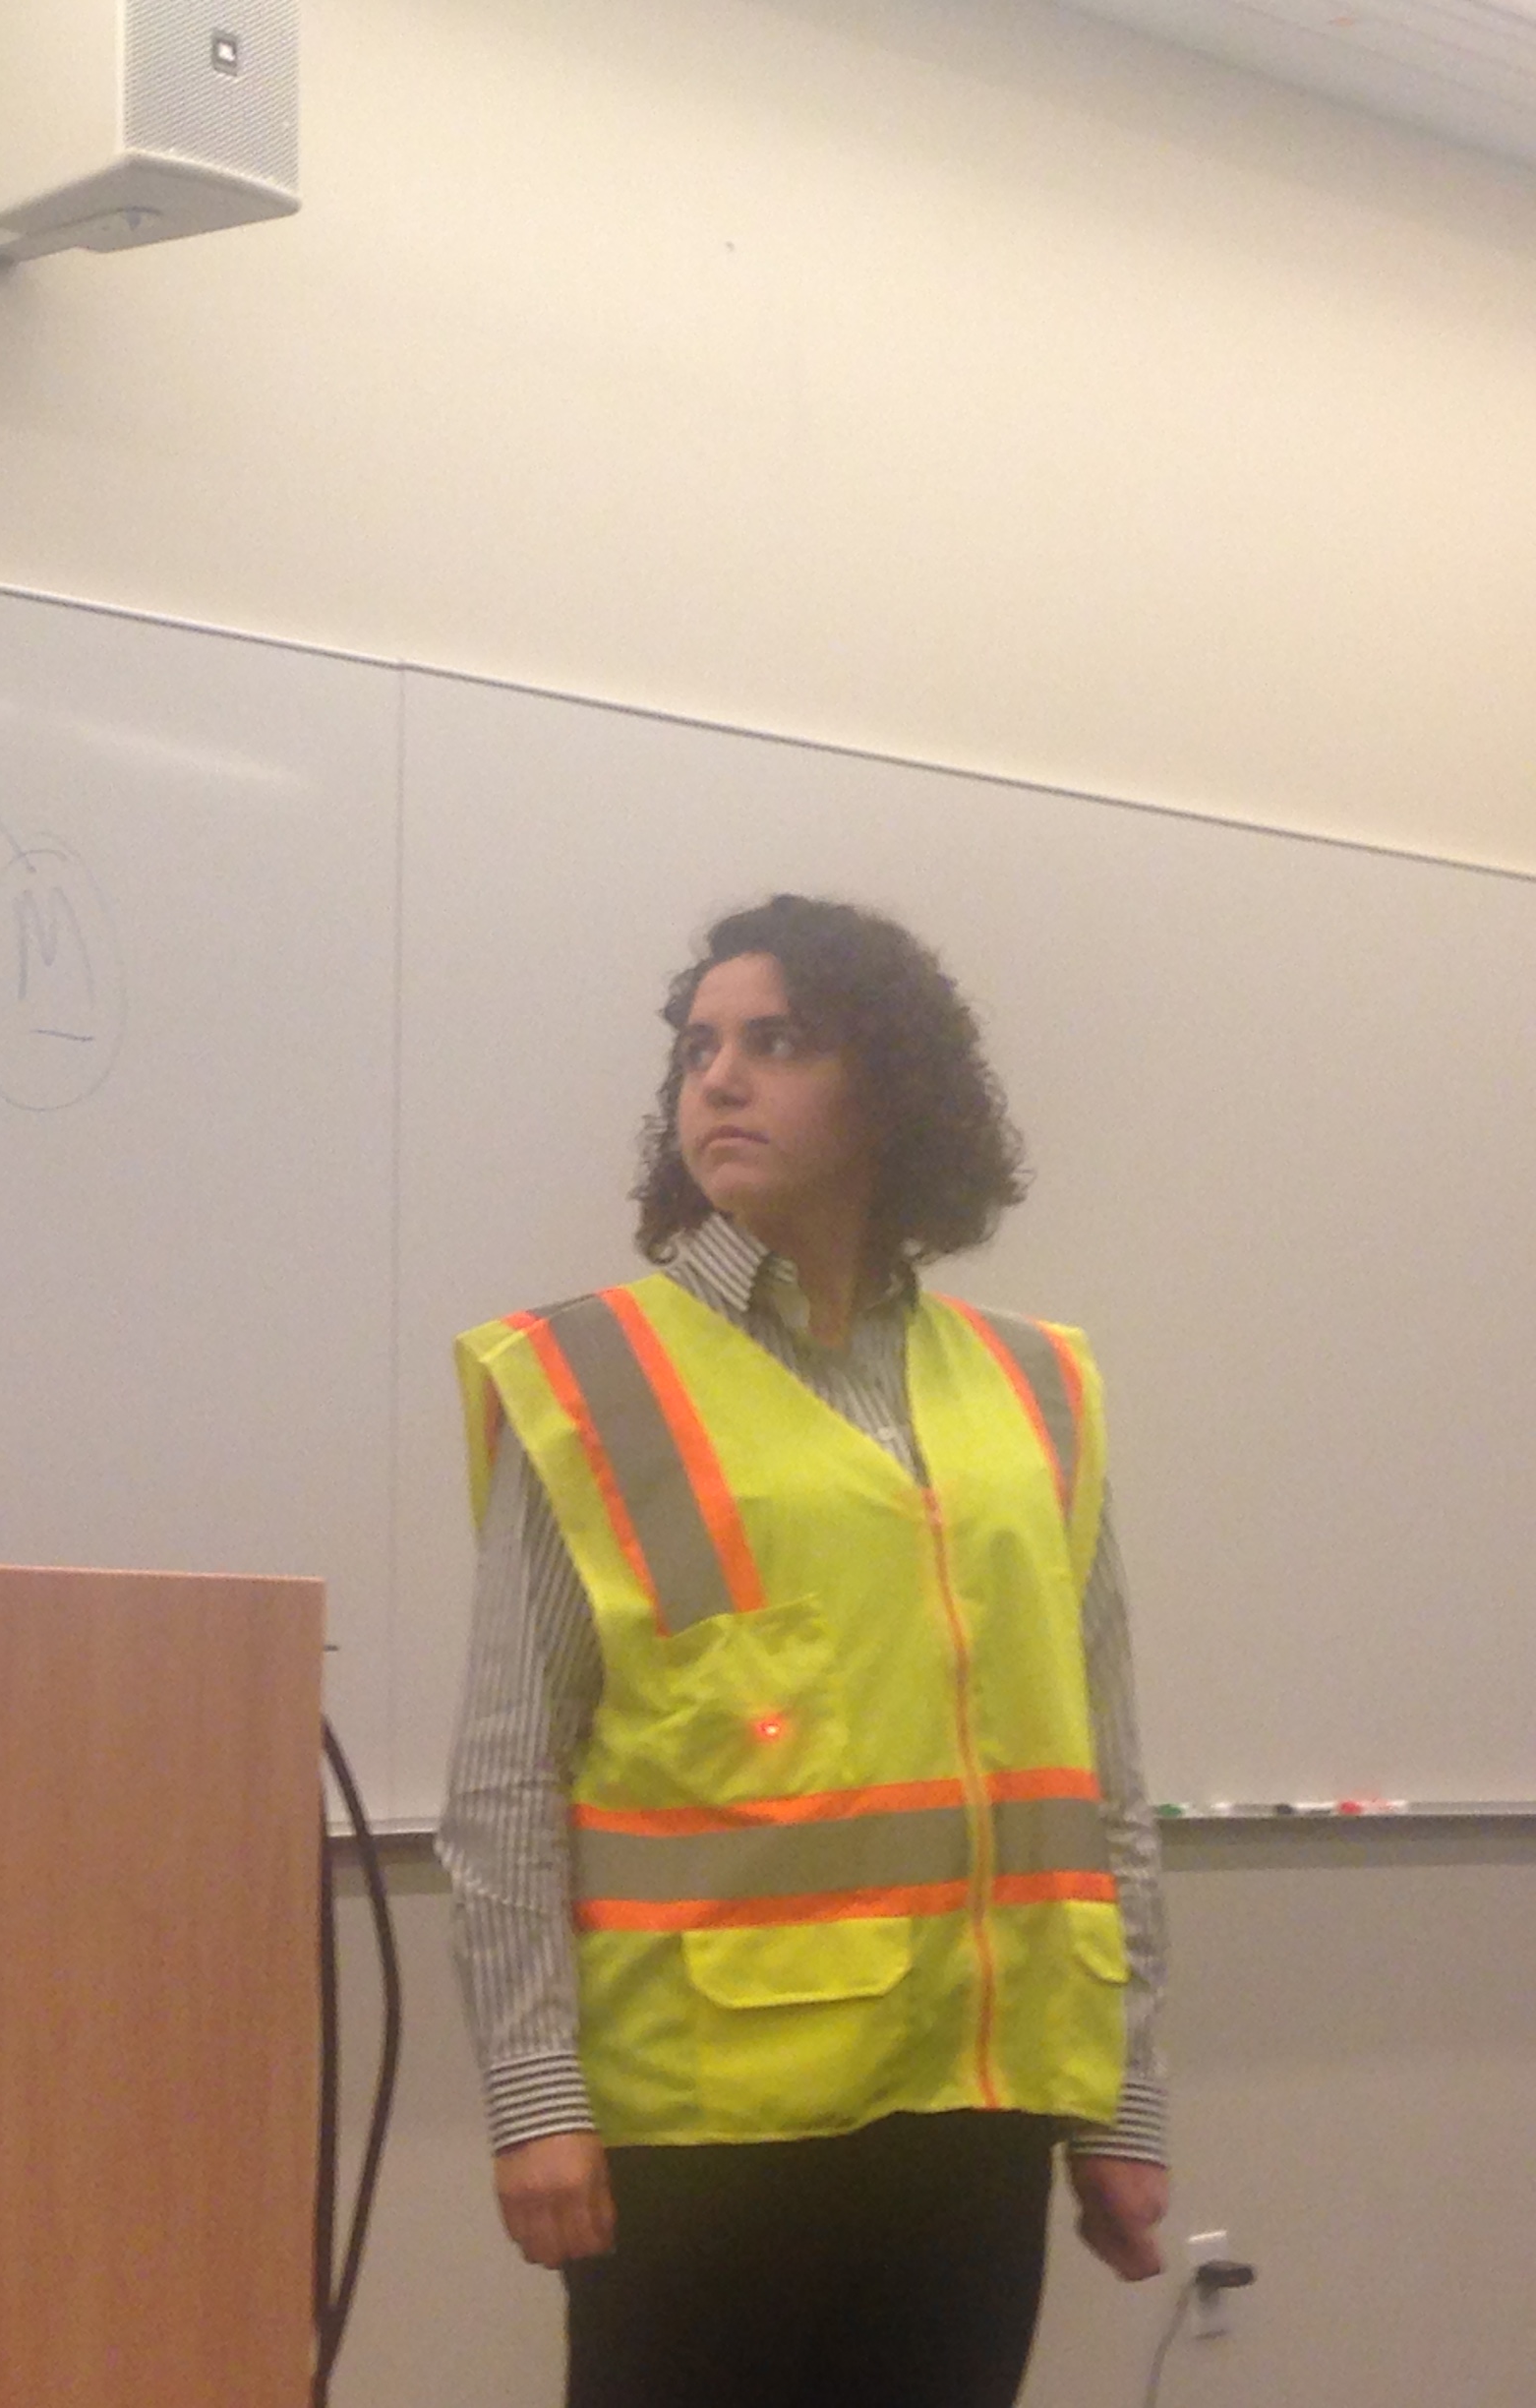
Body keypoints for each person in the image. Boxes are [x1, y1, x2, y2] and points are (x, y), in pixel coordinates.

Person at [439, 895, 1169, 2408]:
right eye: (699, 1048)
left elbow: (1103, 1779)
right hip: (700, 2131)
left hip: (976, 2110)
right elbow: (505, 1778)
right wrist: (535, 2097)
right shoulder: (593, 1379)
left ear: (889, 1086)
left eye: (776, 1041)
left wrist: (1121, 2098)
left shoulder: (1034, 1390)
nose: (718, 1077)